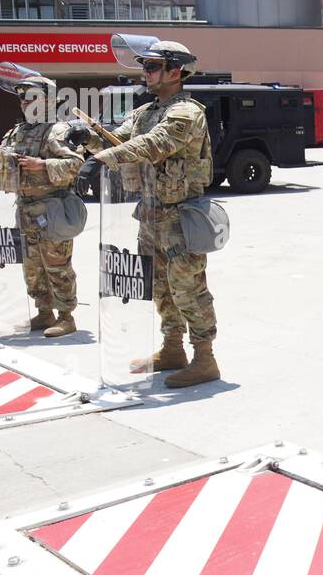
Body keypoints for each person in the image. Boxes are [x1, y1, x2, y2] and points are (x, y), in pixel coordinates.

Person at [78, 39, 221, 388]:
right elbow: (120, 140)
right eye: (145, 66)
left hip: (180, 216)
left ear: (176, 71)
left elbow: (154, 144)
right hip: (150, 214)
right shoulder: (145, 112)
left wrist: (102, 159)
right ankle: (172, 349)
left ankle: (205, 359)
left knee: (188, 287)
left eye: (153, 66)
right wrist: (90, 140)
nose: (146, 72)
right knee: (160, 287)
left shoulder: (185, 112)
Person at [0, 72, 84, 336]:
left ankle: (66, 317)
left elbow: (77, 165)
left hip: (52, 209)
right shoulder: (17, 132)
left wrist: (43, 165)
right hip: (25, 210)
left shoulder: (57, 130)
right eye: (22, 97)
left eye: (31, 96)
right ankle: (44, 312)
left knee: (57, 265)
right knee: (32, 267)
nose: (25, 101)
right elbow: (3, 170)